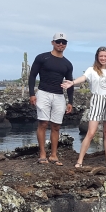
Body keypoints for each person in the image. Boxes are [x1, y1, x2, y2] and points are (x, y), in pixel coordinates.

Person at [63, 47, 106, 168]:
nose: (103, 58)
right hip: (97, 100)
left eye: (105, 56)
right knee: (91, 133)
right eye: (101, 56)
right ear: (97, 57)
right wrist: (72, 82)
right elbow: (83, 78)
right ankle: (80, 161)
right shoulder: (91, 70)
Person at [27, 33, 75, 165]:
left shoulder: (67, 64)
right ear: (52, 42)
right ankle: (42, 154)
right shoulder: (42, 57)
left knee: (56, 126)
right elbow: (32, 76)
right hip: (43, 93)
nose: (61, 44)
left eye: (64, 42)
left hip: (59, 95)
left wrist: (70, 101)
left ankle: (54, 155)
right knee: (43, 123)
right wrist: (32, 94)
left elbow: (69, 83)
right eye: (58, 41)